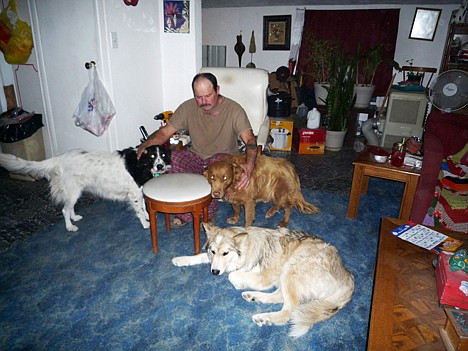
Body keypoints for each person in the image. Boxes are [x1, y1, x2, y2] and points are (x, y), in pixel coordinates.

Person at [137, 72, 258, 227]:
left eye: (208, 96)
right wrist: (144, 145)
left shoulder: (234, 109)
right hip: (197, 157)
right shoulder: (187, 107)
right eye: (198, 97)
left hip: (223, 160)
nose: (203, 101)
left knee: (215, 170)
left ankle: (207, 214)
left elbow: (250, 140)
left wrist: (249, 166)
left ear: (217, 90)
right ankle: (188, 207)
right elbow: (164, 133)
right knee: (173, 159)